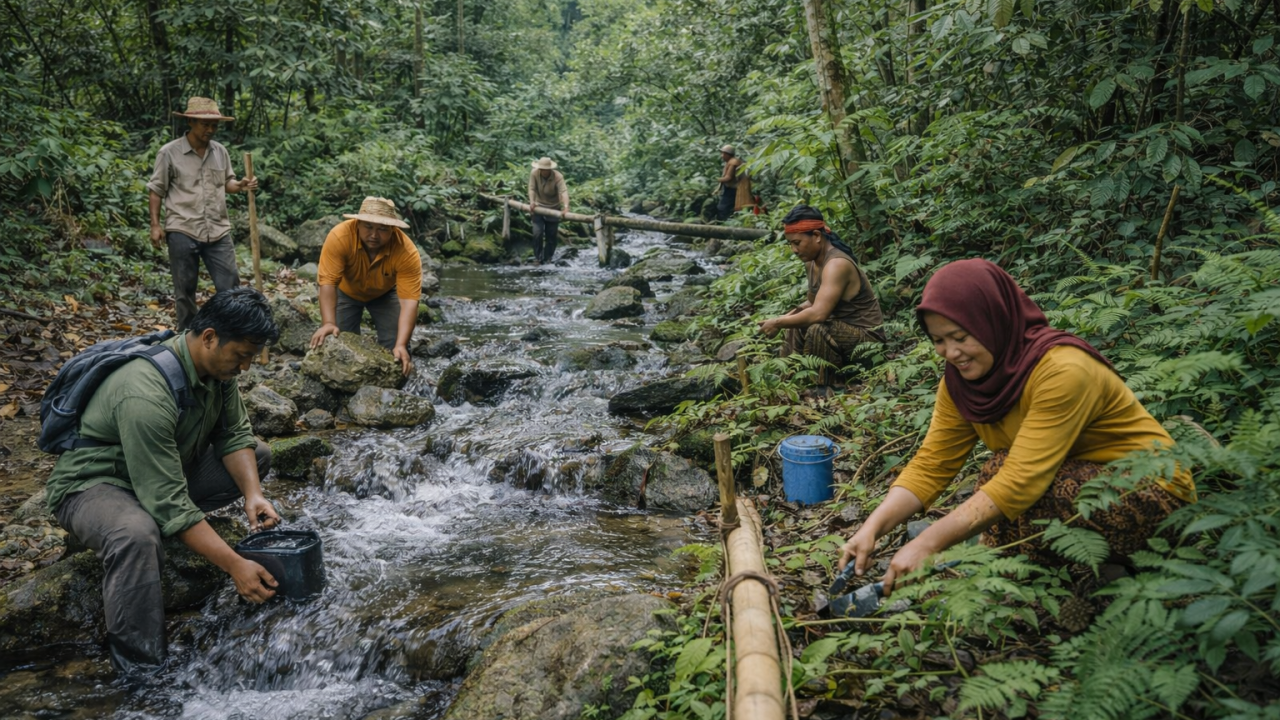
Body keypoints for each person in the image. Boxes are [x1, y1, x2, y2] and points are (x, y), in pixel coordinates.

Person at [837, 259, 1198, 596]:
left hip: (1154, 493)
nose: (951, 352)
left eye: (961, 336)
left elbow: (1022, 479)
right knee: (1001, 477)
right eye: (939, 341)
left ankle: (1103, 572)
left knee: (1001, 476)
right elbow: (933, 463)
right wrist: (872, 527)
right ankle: (1065, 572)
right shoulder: (962, 382)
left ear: (992, 321)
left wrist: (929, 542)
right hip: (1075, 483)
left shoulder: (1063, 370)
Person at [45, 287, 282, 675]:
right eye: (242, 356)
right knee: (136, 534)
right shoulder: (144, 391)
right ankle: (140, 669)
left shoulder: (217, 370)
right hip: (93, 485)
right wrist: (236, 565)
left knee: (258, 456)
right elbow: (168, 500)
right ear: (209, 337)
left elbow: (235, 435)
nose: (246, 368)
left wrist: (253, 496)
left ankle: (154, 527)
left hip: (159, 472)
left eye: (251, 358)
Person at [147, 97, 258, 331]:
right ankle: (187, 338)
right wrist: (155, 225)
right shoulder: (169, 153)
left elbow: (227, 182)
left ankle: (230, 333)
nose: (210, 130)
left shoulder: (220, 152)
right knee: (185, 289)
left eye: (214, 125)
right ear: (191, 121)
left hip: (218, 229)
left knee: (230, 286)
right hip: (182, 228)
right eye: (205, 124)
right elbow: (157, 190)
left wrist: (241, 185)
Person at [759, 205, 885, 391]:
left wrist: (778, 322)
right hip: (841, 333)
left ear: (817, 236)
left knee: (817, 328)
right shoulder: (811, 262)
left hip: (868, 342)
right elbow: (812, 303)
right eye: (790, 244)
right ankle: (788, 381)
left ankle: (828, 388)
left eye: (797, 243)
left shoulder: (836, 264)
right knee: (794, 321)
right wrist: (785, 318)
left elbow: (818, 314)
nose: (794, 249)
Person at [309, 196, 421, 376]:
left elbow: (409, 301)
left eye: (382, 229)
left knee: (396, 346)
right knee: (341, 342)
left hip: (385, 293)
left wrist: (401, 344)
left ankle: (392, 390)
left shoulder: (406, 251)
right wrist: (328, 322)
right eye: (368, 227)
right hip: (346, 291)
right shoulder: (340, 237)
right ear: (357, 223)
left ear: (393, 229)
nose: (374, 235)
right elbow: (328, 283)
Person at [528, 157, 570, 264]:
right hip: (538, 207)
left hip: (554, 208)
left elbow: (563, 192)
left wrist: (565, 207)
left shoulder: (558, 176)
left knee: (551, 235)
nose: (544, 171)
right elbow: (531, 188)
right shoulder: (534, 174)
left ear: (550, 169)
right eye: (542, 169)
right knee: (537, 233)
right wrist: (532, 201)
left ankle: (548, 258)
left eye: (546, 169)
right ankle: (538, 258)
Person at [715, 145, 744, 221]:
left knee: (722, 208)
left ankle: (722, 223)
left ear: (727, 154)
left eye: (723, 154)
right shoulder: (730, 162)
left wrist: (717, 179)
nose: (722, 156)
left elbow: (728, 178)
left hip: (732, 190)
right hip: (731, 189)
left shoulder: (733, 163)